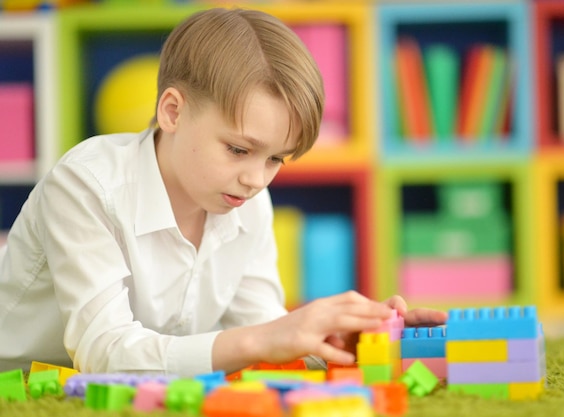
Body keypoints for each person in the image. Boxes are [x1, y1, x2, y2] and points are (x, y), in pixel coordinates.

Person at [0, 7, 446, 376]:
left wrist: (336, 342)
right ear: (173, 111)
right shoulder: (87, 185)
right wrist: (269, 338)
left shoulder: (247, 203)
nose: (257, 179)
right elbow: (104, 353)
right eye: (238, 149)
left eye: (275, 159)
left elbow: (262, 332)